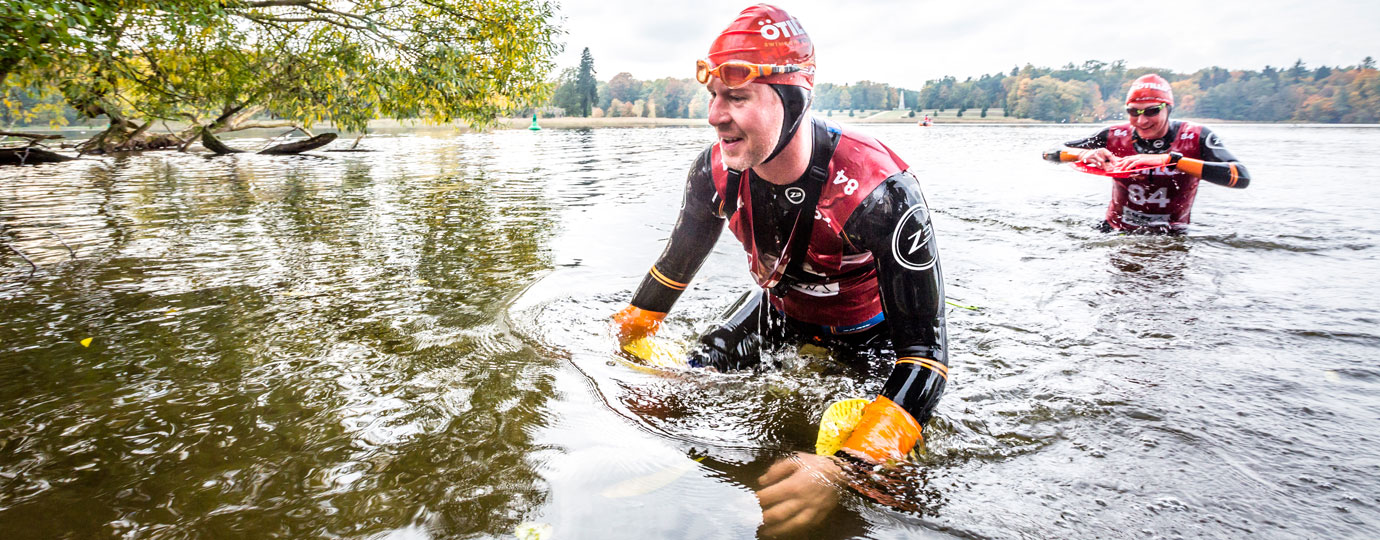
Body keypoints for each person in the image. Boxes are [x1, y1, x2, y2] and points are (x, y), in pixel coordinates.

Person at [610, 4, 948, 535]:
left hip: (871, 333)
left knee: (894, 478)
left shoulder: (878, 192)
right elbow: (669, 275)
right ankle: (675, 468)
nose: (715, 115)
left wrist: (847, 468)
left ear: (795, 100)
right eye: (714, 96)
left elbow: (925, 360)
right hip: (778, 309)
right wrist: (621, 340)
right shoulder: (713, 170)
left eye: (737, 97)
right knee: (681, 387)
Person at [1056, 73, 1251, 233]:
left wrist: (1171, 161)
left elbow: (1240, 176)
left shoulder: (1195, 136)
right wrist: (1081, 155)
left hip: (1172, 233)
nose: (1142, 121)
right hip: (1115, 231)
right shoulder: (1114, 135)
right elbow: (1051, 154)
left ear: (1168, 109)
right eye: (1134, 112)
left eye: (1152, 111)